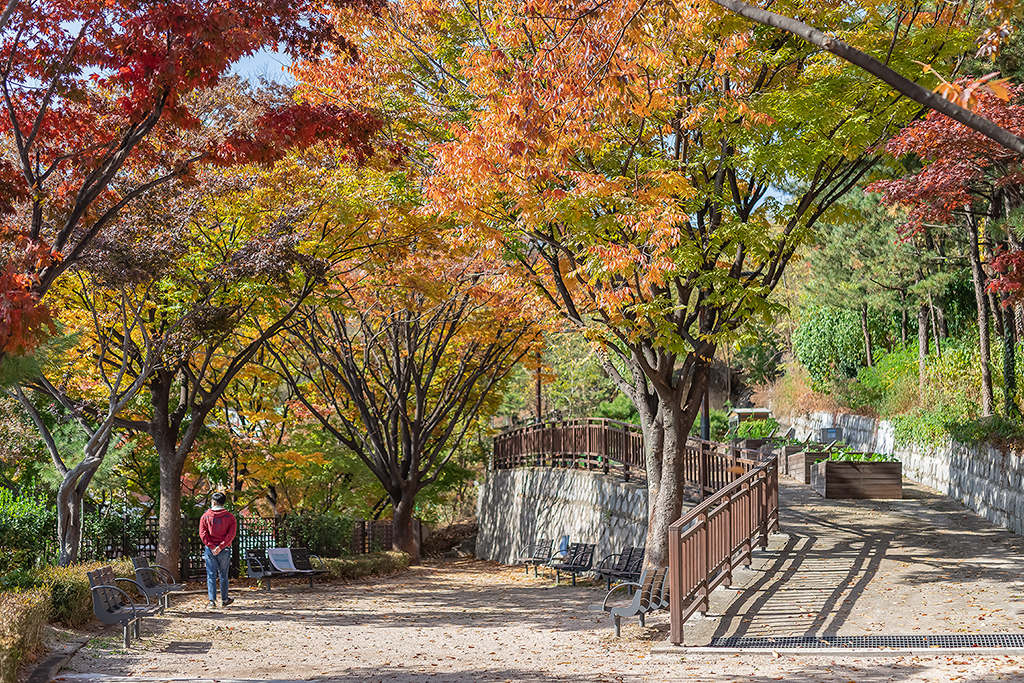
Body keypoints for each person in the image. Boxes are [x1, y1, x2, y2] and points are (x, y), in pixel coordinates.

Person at [199, 491, 237, 609]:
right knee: (223, 575)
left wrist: (212, 546)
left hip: (210, 550)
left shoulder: (205, 516)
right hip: (224, 549)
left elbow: (203, 534)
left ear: (213, 502)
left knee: (211, 574)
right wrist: (221, 546)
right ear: (223, 502)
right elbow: (231, 534)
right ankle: (225, 599)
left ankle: (212, 601)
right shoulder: (230, 517)